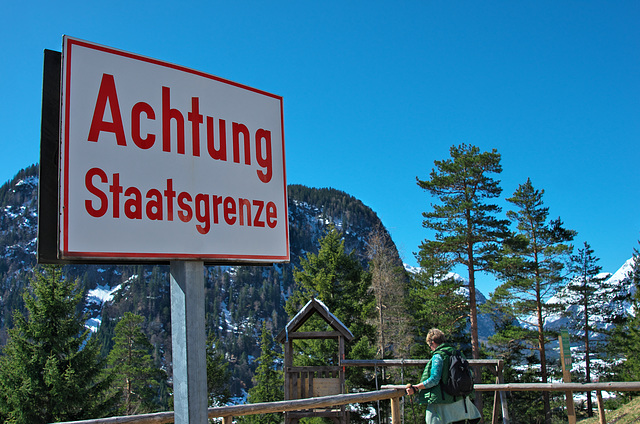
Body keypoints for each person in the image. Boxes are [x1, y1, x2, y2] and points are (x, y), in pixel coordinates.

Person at [405, 328, 481, 424]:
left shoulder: (438, 356)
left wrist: (416, 387)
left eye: (430, 345)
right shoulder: (458, 353)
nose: (430, 348)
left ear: (432, 342)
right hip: (461, 402)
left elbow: (434, 379)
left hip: (443, 403)